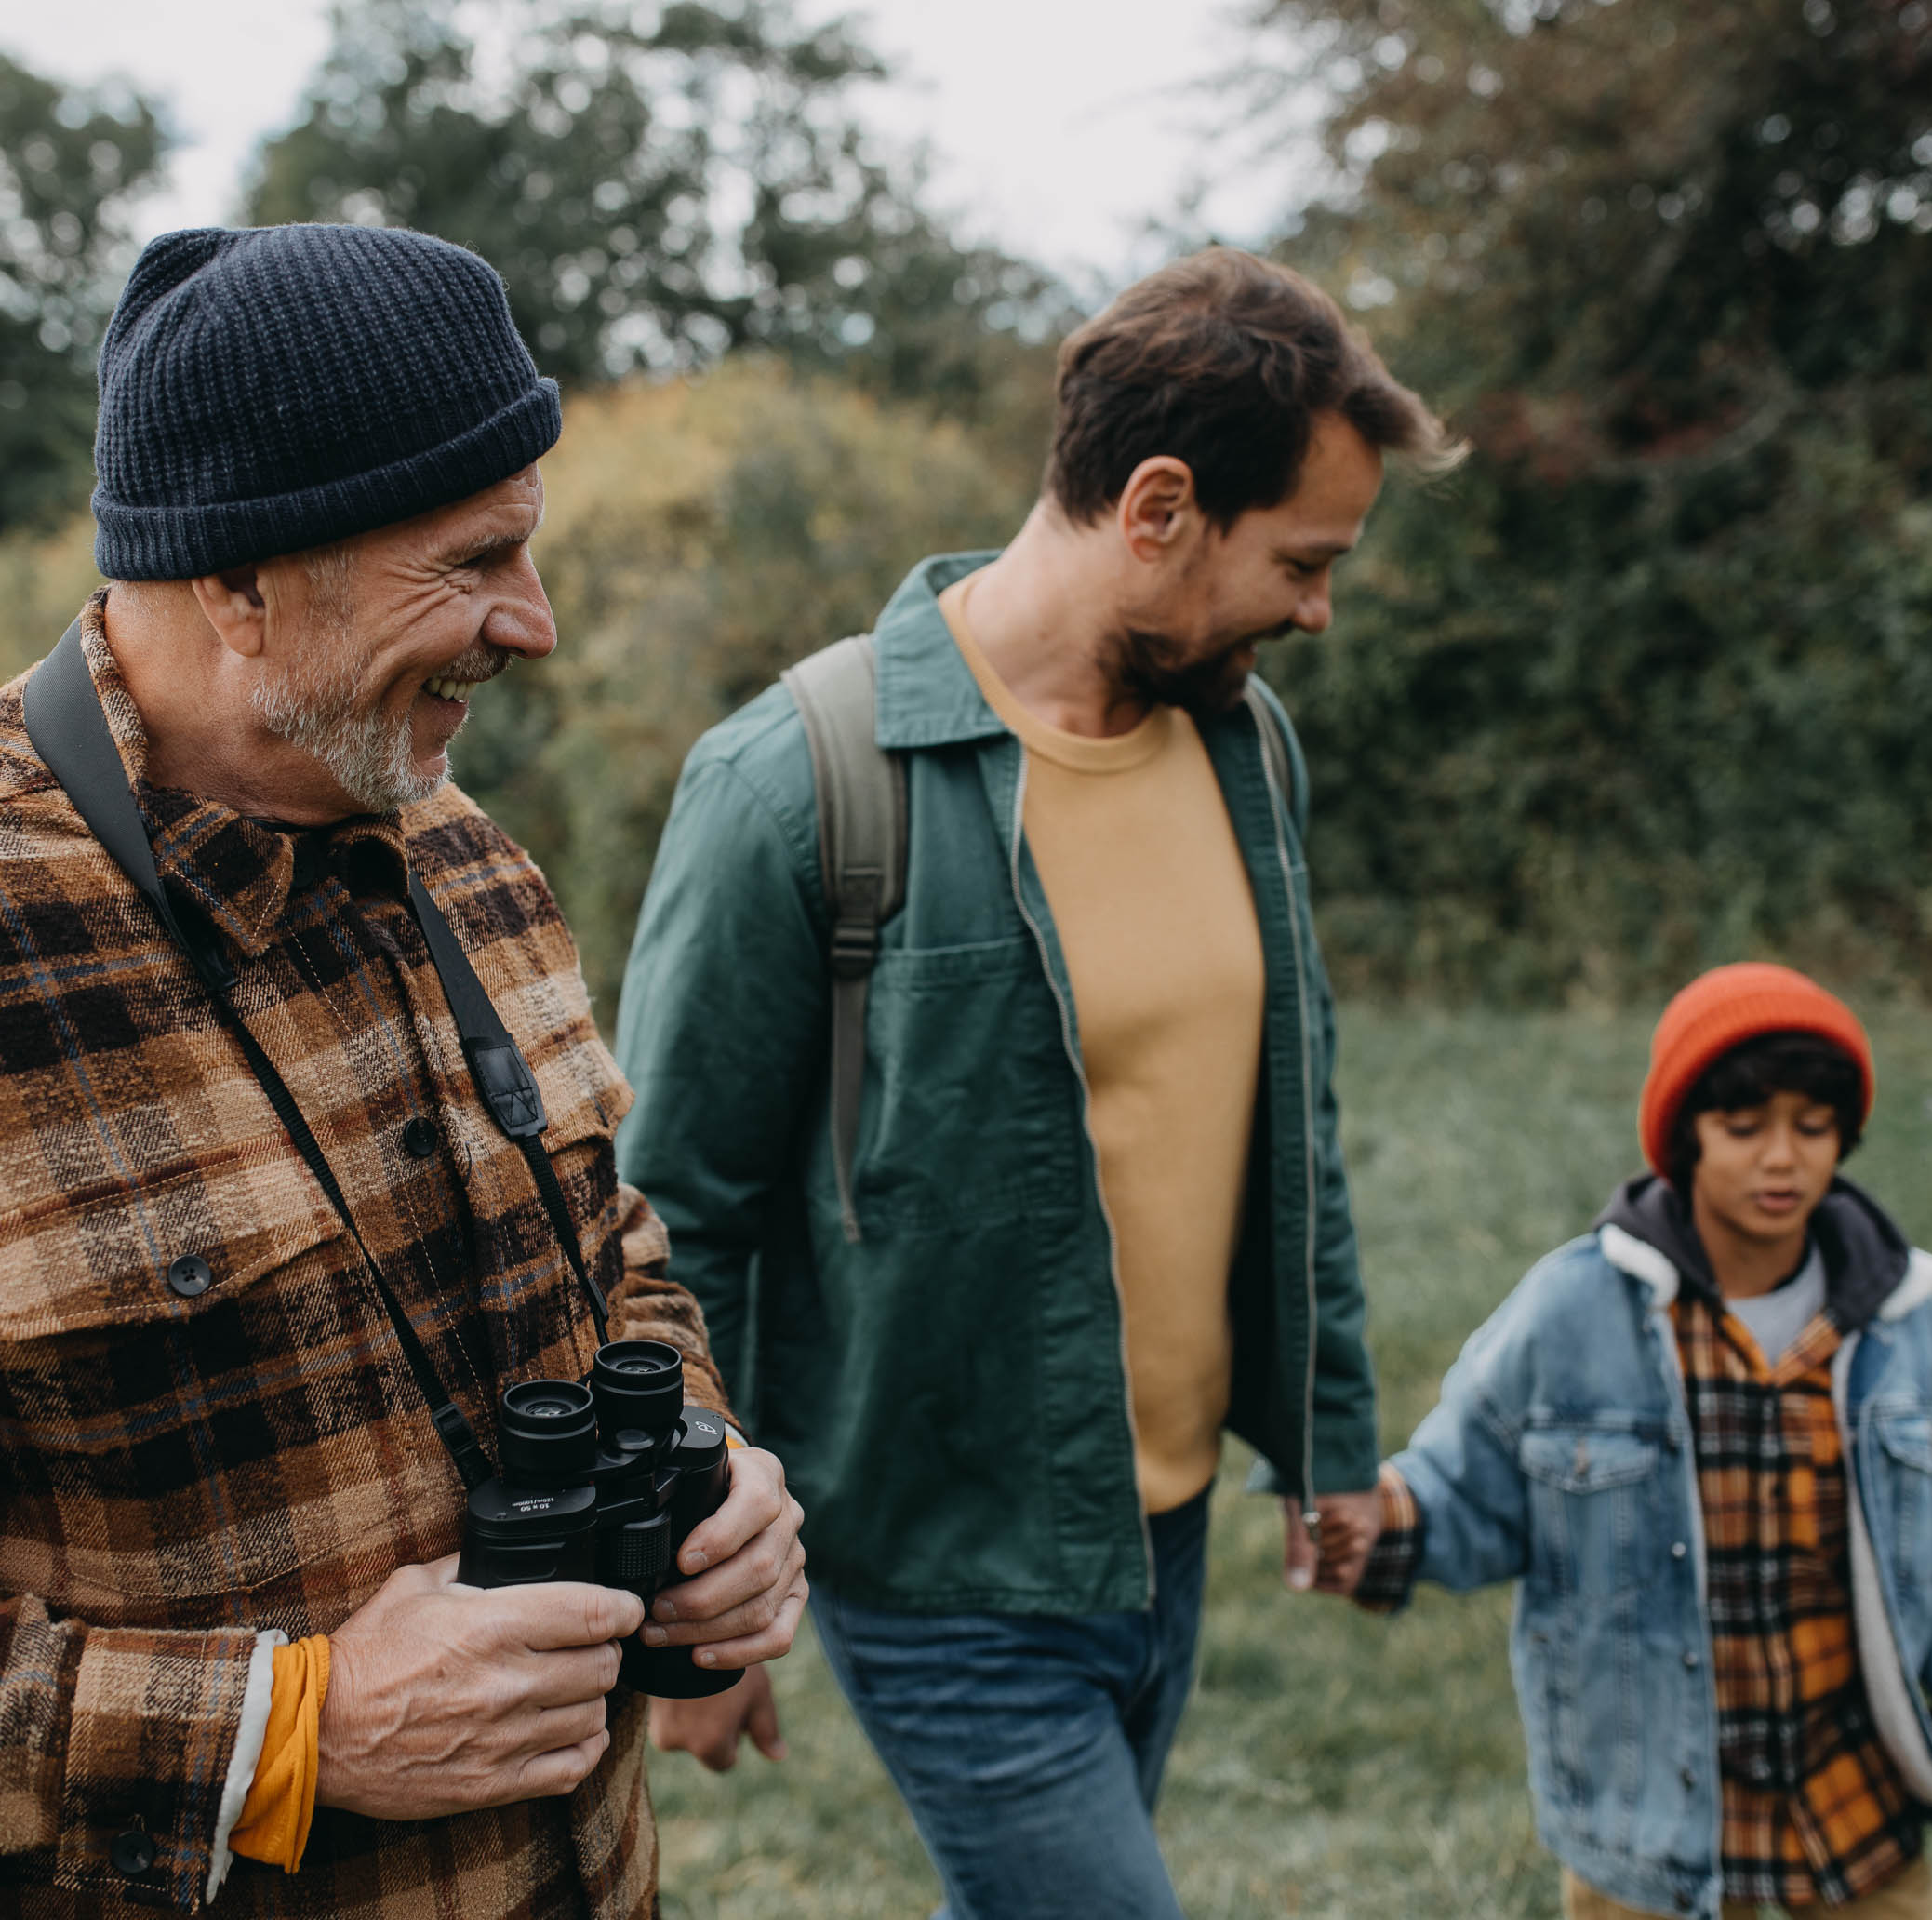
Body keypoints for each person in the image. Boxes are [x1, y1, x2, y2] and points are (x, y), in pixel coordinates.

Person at [0, 223, 806, 1919]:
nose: (542, 622)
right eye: (475, 560)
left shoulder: (477, 868)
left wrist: (706, 1465)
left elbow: (608, 1260)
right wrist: (286, 1729)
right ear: (240, 580)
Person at [610, 248, 1461, 1914]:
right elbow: (665, 1223)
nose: (1317, 608)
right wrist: (678, 1591)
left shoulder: (1249, 746)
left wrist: (1327, 1436)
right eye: (1300, 559)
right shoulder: (794, 781)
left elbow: (1296, 1127)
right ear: (1158, 506)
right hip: (936, 1545)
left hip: (1164, 1527)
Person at [1349, 964, 1932, 1918]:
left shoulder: (1900, 1324)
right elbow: (1463, 1491)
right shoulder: (1572, 1311)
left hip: (1851, 1807)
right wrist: (1374, 1524)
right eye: (1745, 1128)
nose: (1783, 1159)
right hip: (1648, 1822)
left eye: (1812, 1128)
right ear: (1683, 1134)